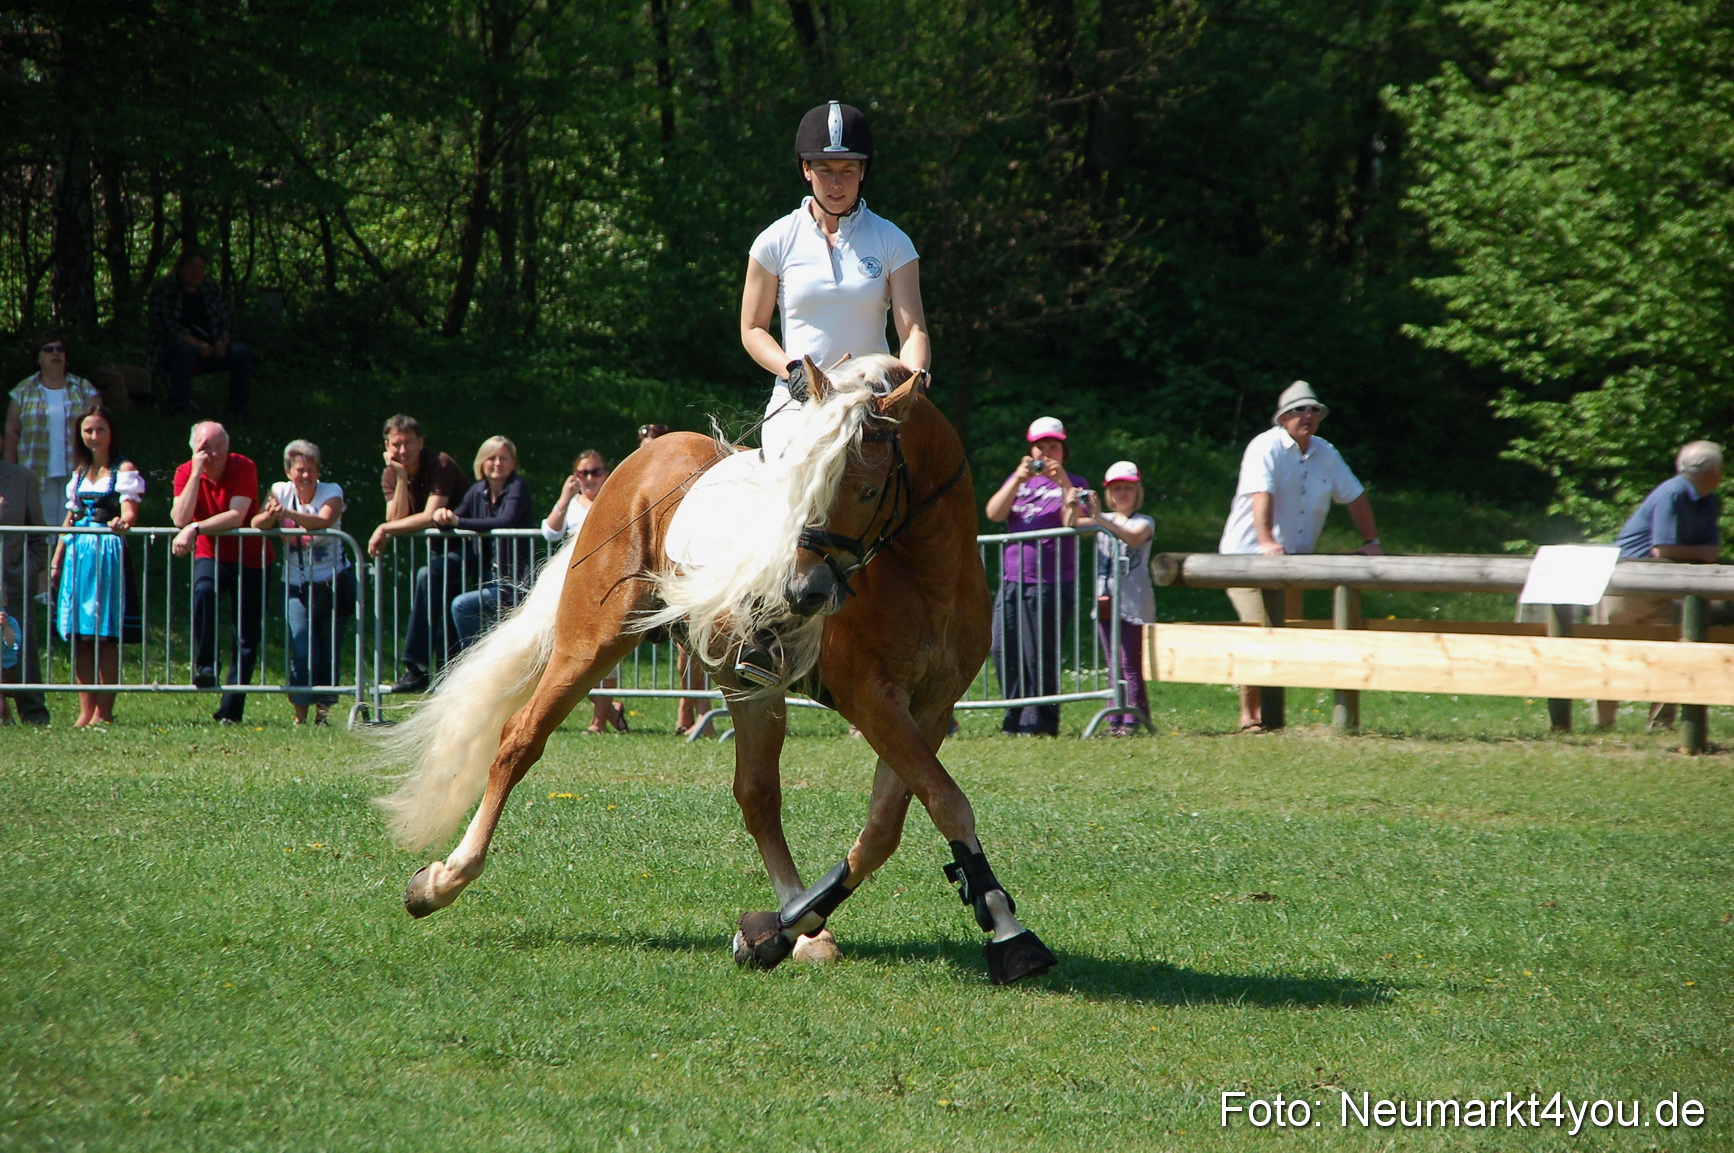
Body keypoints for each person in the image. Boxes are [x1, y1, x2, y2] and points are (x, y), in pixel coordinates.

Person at [740, 100, 930, 464]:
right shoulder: (774, 241)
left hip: (872, 406)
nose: (836, 183)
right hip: (799, 404)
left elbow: (914, 331)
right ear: (806, 170)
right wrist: (791, 369)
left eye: (847, 170)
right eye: (825, 170)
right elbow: (752, 328)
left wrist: (915, 375)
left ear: (863, 171)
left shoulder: (893, 241)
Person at [1219, 381, 1383, 731]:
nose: (1307, 416)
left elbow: (1355, 494)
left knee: (1286, 635)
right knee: (1259, 632)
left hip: (1292, 563)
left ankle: (1273, 716)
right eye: (1298, 410)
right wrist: (1266, 541)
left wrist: (1371, 540)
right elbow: (1261, 493)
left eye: (1313, 410)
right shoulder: (1265, 446)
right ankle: (1250, 716)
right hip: (1246, 558)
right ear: (1282, 417)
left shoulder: (1326, 452)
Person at [1595, 440, 1723, 731]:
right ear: (1713, 471)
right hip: (1629, 586)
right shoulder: (1674, 492)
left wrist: (1704, 555)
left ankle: (1661, 725)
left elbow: (1709, 550)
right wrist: (1702, 554)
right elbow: (1663, 549)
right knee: (1612, 654)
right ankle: (1603, 724)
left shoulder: (1708, 499)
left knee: (1672, 654)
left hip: (1666, 588)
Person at [985, 417, 1089, 736]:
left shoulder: (1076, 482)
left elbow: (1077, 521)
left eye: (1053, 446)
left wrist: (1065, 485)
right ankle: (1014, 715)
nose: (1047, 452)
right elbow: (994, 513)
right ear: (1031, 450)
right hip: (1013, 580)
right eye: (1040, 446)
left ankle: (1041, 722)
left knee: (1038, 655)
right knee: (1004, 649)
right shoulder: (1020, 482)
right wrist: (1017, 478)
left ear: (1063, 450)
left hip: (1051, 583)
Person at [171, 420, 271, 723]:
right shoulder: (184, 472)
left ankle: (231, 711)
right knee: (203, 591)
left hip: (250, 558)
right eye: (205, 448)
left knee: (245, 636)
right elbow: (179, 517)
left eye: (219, 447)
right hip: (210, 553)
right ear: (194, 449)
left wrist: (195, 528)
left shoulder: (243, 466)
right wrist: (197, 473)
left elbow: (236, 515)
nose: (213, 453)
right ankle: (205, 666)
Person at [51, 404, 143, 727]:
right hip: (80, 556)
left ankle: (103, 712)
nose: (93, 436)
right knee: (81, 634)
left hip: (107, 554)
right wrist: (57, 556)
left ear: (110, 433)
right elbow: (71, 517)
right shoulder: (79, 473)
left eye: (100, 429)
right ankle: (84, 710)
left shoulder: (123, 469)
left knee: (105, 634)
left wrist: (122, 521)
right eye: (88, 430)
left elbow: (131, 511)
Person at [252, 439, 353, 726]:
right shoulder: (279, 491)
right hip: (295, 584)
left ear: (319, 471)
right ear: (288, 471)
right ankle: (300, 716)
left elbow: (324, 520)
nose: (306, 475)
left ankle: (323, 714)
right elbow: (256, 524)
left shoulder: (332, 491)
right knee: (302, 649)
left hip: (331, 581)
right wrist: (270, 516)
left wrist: (288, 514)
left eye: (311, 469)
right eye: (300, 469)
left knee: (328, 651)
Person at [369, 415, 467, 694]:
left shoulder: (440, 464)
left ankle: (416, 667)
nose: (403, 451)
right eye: (396, 444)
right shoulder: (392, 472)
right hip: (440, 555)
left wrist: (384, 529)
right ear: (387, 446)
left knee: (429, 576)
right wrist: (400, 477)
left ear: (420, 442)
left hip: (467, 549)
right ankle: (438, 676)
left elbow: (428, 517)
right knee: (438, 598)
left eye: (409, 443)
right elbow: (396, 516)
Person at [540, 449, 627, 733]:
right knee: (558, 651)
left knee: (605, 651)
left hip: (604, 583)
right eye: (583, 473)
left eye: (596, 471)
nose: (590, 478)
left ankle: (599, 721)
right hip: (572, 584)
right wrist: (565, 498)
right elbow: (550, 532)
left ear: (606, 472)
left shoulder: (613, 499)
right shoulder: (573, 504)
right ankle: (612, 712)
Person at [1070, 460, 1156, 736]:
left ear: (1137, 491)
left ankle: (1133, 717)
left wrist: (1098, 516)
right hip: (1105, 601)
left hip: (1133, 602)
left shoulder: (1144, 521)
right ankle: (1115, 718)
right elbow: (1070, 524)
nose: (1122, 494)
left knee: (1130, 662)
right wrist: (1073, 503)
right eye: (1116, 489)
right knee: (1113, 664)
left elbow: (1132, 537)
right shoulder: (1102, 520)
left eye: (1127, 488)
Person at [438, 436, 535, 651]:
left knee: (461, 605)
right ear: (481, 462)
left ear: (513, 463)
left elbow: (506, 521)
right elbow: (453, 521)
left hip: (515, 581)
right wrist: (442, 517)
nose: (498, 463)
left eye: (504, 458)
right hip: (488, 579)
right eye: (492, 458)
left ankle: (473, 660)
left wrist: (459, 521)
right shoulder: (477, 491)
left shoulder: (518, 487)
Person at [5, 330, 100, 529]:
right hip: (36, 472)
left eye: (60, 349)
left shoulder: (83, 388)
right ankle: (47, 562)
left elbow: (100, 427)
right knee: (42, 530)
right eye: (48, 349)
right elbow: (12, 433)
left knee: (72, 529)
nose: (55, 353)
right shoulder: (23, 391)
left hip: (78, 471)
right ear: (38, 357)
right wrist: (9, 474)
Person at [147, 249, 254, 418]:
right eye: (191, 267)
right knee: (183, 350)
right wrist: (196, 344)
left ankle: (239, 410)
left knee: (241, 352)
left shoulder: (210, 288)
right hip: (175, 351)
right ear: (180, 268)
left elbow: (226, 320)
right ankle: (179, 408)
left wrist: (222, 341)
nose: (195, 273)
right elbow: (166, 326)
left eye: (200, 268)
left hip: (212, 349)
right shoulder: (165, 288)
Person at [0, 456, 51, 725]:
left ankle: (34, 714)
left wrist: (28, 571)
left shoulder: (22, 478)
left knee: (20, 648)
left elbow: (38, 536)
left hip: (13, 582)